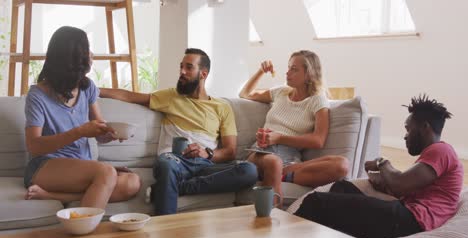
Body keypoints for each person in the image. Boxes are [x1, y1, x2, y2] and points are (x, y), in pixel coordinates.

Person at [100, 48, 258, 215]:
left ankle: (173, 187)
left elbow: (230, 152)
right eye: (181, 66)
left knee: (249, 170)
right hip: (174, 160)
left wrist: (207, 154)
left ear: (203, 74)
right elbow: (130, 96)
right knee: (167, 165)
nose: (182, 72)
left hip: (205, 165)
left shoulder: (222, 107)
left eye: (189, 67)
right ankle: (165, 224)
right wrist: (94, 90)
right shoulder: (171, 96)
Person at [293, 95, 464, 238]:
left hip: (411, 222)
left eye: (408, 129)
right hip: (406, 217)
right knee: (342, 187)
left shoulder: (442, 150)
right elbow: (398, 188)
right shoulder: (432, 157)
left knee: (315, 202)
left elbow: (400, 184)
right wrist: (380, 179)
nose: (405, 135)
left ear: (425, 127)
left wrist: (382, 163)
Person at [24, 26, 141, 209]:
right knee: (106, 173)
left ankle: (54, 196)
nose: (91, 54)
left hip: (82, 165)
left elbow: (99, 131)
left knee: (132, 181)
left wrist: (108, 134)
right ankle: (84, 230)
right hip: (46, 166)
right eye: (86, 49)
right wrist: (79, 132)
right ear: (70, 58)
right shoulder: (38, 95)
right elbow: (34, 146)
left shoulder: (87, 87)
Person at [239, 50, 348, 202]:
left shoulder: (317, 101)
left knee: (341, 164)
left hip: (290, 162)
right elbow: (245, 94)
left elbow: (318, 140)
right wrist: (261, 71)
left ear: (309, 74)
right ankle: (271, 214)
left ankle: (282, 175)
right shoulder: (281, 92)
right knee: (273, 162)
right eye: (288, 68)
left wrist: (279, 138)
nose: (287, 73)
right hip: (261, 153)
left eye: (294, 69)